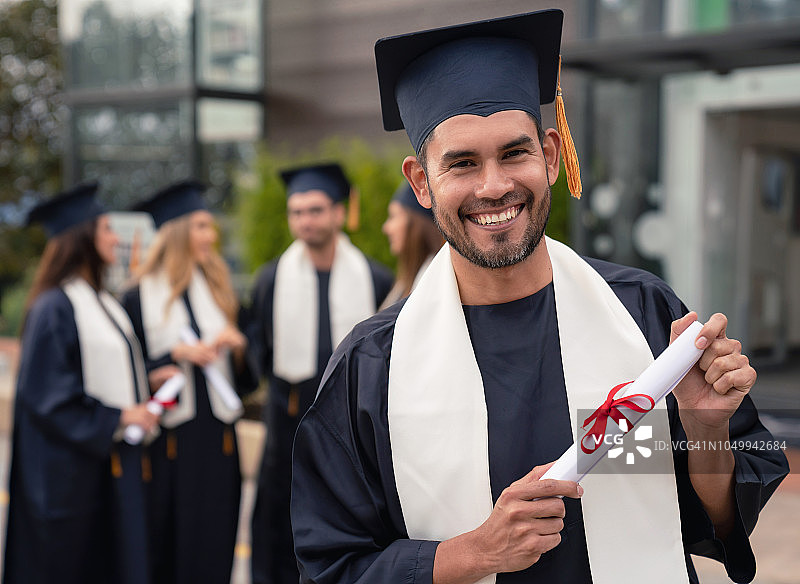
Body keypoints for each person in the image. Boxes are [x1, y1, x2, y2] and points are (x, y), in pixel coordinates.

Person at [290, 9, 790, 584]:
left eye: (514, 153)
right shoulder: (372, 365)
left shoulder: (643, 317)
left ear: (551, 155)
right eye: (461, 164)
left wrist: (705, 430)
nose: (494, 186)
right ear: (421, 183)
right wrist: (474, 554)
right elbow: (332, 566)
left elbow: (717, 523)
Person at [2, 182, 160, 584]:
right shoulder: (55, 307)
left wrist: (148, 381)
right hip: (70, 482)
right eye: (106, 228)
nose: (115, 237)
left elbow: (105, 370)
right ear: (83, 238)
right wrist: (122, 415)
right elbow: (49, 398)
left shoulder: (103, 301)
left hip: (107, 466)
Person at [247, 162, 394, 584]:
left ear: (337, 213)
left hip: (350, 418)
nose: (304, 221)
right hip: (287, 416)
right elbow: (261, 347)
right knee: (279, 512)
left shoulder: (374, 277)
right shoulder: (271, 279)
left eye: (314, 210)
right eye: (296, 212)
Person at [121, 180, 247, 584]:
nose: (210, 236)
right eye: (200, 226)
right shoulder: (138, 296)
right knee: (169, 546)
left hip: (219, 440)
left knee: (216, 542)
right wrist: (171, 355)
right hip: (170, 444)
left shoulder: (218, 288)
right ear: (176, 233)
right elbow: (128, 370)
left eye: (210, 226)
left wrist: (238, 345)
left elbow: (245, 379)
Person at [380, 180, 444, 309]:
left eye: (393, 216)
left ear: (416, 224)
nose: (386, 228)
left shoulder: (438, 283)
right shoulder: (403, 283)